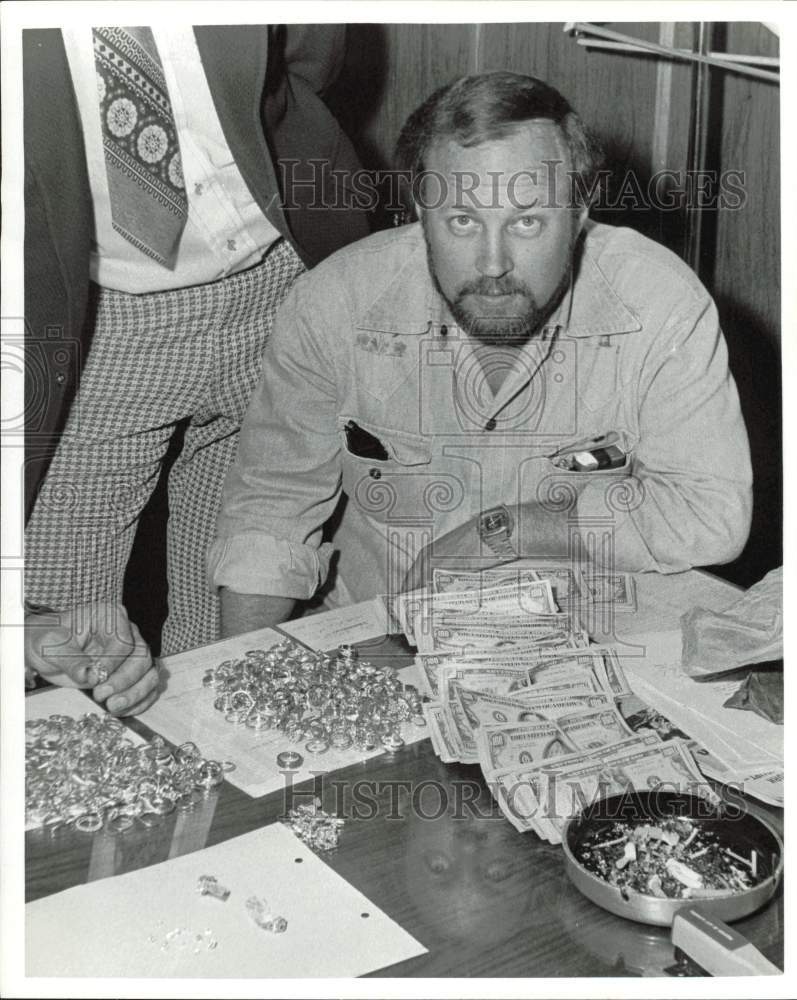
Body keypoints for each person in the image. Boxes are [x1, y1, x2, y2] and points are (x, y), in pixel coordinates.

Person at [210, 71, 752, 637]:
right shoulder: (334, 302)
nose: (494, 265)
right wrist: (237, 665)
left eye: (528, 221)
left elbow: (711, 514)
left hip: (584, 636)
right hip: (382, 638)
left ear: (579, 214)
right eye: (463, 220)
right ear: (421, 210)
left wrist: (504, 531)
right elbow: (271, 512)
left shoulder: (660, 301)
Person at [22, 24, 368, 714]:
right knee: (66, 652)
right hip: (95, 320)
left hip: (277, 276)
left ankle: (223, 811)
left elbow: (307, 61)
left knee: (227, 639)